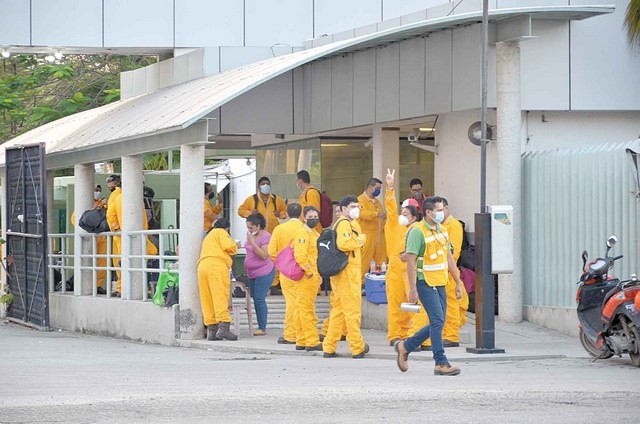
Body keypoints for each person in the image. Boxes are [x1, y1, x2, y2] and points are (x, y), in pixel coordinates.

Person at [394, 196, 465, 375]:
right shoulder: (417, 232)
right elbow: (410, 262)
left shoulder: (442, 229)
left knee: (437, 322)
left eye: (443, 210)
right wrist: (412, 289)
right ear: (428, 212)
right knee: (438, 320)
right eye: (439, 210)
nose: (442, 213)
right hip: (424, 282)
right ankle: (441, 362)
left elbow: (448, 257)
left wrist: (457, 282)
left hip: (441, 281)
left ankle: (405, 346)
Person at [383, 168, 426, 347]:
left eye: (407, 213)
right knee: (395, 304)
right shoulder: (394, 223)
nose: (403, 215)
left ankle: (411, 334)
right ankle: (395, 334)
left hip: (409, 270)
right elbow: (390, 208)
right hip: (394, 269)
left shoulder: (417, 228)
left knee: (411, 304)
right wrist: (390, 188)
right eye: (402, 212)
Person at [322, 195, 369, 359]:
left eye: (357, 206)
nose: (356, 209)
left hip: (345, 273)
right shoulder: (343, 224)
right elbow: (344, 244)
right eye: (352, 206)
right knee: (352, 311)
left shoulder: (346, 224)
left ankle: (329, 346)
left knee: (339, 312)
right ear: (342, 209)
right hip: (347, 274)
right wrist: (360, 240)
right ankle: (357, 347)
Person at [105, 174, 158, 295]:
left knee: (124, 261)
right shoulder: (132, 198)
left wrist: (116, 229)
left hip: (123, 235)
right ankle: (135, 288)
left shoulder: (118, 197)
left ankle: (124, 288)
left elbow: (110, 215)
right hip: (135, 236)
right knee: (151, 256)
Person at [267, 203, 304, 345]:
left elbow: (271, 252)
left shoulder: (279, 229)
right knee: (303, 302)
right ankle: (303, 332)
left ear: (287, 214)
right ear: (301, 214)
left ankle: (290, 334)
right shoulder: (304, 229)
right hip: (303, 270)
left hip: (286, 271)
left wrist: (281, 264)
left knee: (291, 302)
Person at [197, 218, 239, 341]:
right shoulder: (220, 232)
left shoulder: (208, 236)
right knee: (220, 295)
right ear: (227, 228)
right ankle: (224, 327)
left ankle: (212, 330)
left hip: (202, 266)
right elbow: (228, 245)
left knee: (207, 298)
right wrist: (235, 246)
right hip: (216, 266)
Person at [292, 206, 322, 351]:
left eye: (315, 216)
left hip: (312, 275)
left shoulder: (314, 233)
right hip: (307, 276)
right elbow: (300, 255)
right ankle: (311, 340)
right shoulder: (303, 233)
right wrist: (309, 271)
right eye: (310, 217)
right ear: (304, 218)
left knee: (301, 308)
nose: (313, 219)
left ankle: (301, 339)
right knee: (306, 309)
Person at [440, 197, 470, 347]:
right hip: (441, 271)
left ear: (447, 208)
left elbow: (454, 251)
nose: (438, 213)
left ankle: (451, 336)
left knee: (452, 304)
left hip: (449, 270)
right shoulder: (441, 225)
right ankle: (447, 333)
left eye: (440, 210)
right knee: (445, 305)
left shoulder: (453, 225)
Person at [70, 185, 108, 293]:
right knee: (87, 261)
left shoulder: (102, 203)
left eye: (99, 190)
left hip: (101, 236)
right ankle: (85, 284)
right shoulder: (84, 203)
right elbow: (75, 219)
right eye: (95, 190)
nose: (97, 192)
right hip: (89, 236)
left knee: (102, 262)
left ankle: (98, 285)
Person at [244, 213, 275, 336]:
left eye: (251, 227)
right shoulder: (250, 235)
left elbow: (263, 255)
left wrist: (252, 243)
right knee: (255, 298)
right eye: (247, 227)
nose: (249, 230)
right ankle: (259, 324)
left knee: (259, 298)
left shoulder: (266, 236)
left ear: (258, 226)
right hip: (252, 273)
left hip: (264, 271)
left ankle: (262, 327)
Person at [357, 177, 386, 284]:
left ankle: (379, 283)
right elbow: (363, 213)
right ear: (370, 187)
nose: (379, 190)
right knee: (364, 261)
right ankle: (360, 283)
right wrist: (376, 214)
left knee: (381, 262)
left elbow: (382, 217)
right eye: (377, 188)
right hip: (367, 235)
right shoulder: (360, 200)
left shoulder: (377, 202)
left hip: (379, 235)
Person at [105, 175, 123, 294]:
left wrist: (115, 228)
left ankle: (121, 288)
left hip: (119, 233)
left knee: (119, 262)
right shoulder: (121, 195)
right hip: (122, 233)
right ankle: (121, 288)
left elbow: (110, 215)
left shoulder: (115, 195)